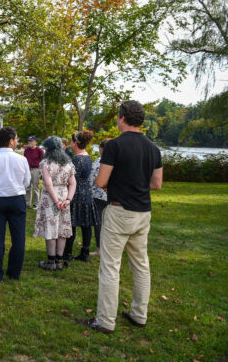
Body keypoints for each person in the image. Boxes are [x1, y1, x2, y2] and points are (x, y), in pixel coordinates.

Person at [77, 100, 163, 334]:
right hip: (143, 212)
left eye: (118, 117)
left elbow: (101, 181)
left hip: (118, 210)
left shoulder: (115, 146)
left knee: (110, 266)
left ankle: (105, 320)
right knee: (141, 265)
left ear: (122, 118)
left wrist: (120, 182)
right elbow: (157, 184)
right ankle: (139, 315)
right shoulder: (153, 148)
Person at [0, 127, 31, 281]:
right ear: (11, 141)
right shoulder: (22, 159)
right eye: (16, 139)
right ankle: (14, 272)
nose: (17, 141)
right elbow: (27, 181)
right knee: (18, 239)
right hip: (16, 199)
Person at [33, 136, 77, 270]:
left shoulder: (46, 163)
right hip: (64, 196)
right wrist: (68, 199)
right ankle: (59, 261)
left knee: (51, 228)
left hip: (50, 198)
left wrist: (56, 201)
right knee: (62, 229)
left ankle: (51, 262)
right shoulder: (68, 163)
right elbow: (73, 183)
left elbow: (48, 183)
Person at [63, 130, 98, 263]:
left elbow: (73, 178)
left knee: (72, 223)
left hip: (77, 193)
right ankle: (85, 252)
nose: (71, 144)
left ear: (75, 143)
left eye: (71, 142)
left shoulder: (77, 159)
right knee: (86, 224)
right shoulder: (87, 156)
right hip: (87, 192)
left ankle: (68, 252)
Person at [89, 139, 111, 256]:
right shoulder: (117, 161)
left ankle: (99, 248)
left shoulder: (98, 162)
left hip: (98, 196)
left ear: (101, 149)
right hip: (114, 197)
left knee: (98, 222)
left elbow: (91, 180)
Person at [24, 135, 44, 209]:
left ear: (35, 142)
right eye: (29, 141)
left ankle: (36, 204)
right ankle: (27, 203)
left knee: (36, 188)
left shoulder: (39, 150)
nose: (30, 142)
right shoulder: (26, 150)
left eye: (31, 141)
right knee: (27, 187)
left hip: (36, 169)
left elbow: (43, 161)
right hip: (28, 170)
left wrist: (41, 172)